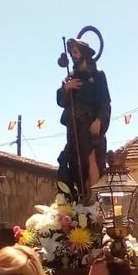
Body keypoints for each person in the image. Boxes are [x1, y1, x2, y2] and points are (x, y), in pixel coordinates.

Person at [56, 36, 111, 197]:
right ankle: (76, 196)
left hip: (90, 124)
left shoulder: (98, 76)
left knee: (91, 158)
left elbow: (105, 102)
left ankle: (94, 199)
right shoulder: (70, 78)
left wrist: (99, 120)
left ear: (84, 54)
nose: (73, 55)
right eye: (71, 53)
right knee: (73, 161)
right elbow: (61, 101)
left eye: (75, 52)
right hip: (74, 126)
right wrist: (67, 88)